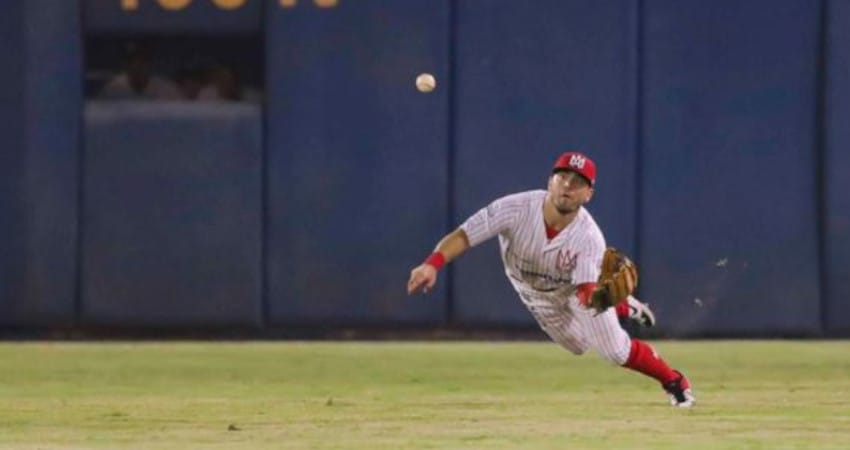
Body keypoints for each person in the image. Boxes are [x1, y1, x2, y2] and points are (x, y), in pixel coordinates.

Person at [407, 151, 695, 407]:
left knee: (614, 351)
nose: (568, 185)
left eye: (578, 182)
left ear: (588, 194)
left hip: (578, 290)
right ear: (550, 181)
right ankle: (624, 305)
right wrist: (431, 265)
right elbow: (463, 236)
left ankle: (674, 381)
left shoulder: (589, 237)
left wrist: (600, 299)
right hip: (534, 294)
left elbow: (584, 292)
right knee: (578, 346)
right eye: (562, 177)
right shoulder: (516, 208)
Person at [98, 43, 180, 100]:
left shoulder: (166, 89)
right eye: (134, 65)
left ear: (150, 66)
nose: (139, 70)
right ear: (127, 67)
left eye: (143, 64)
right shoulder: (112, 89)